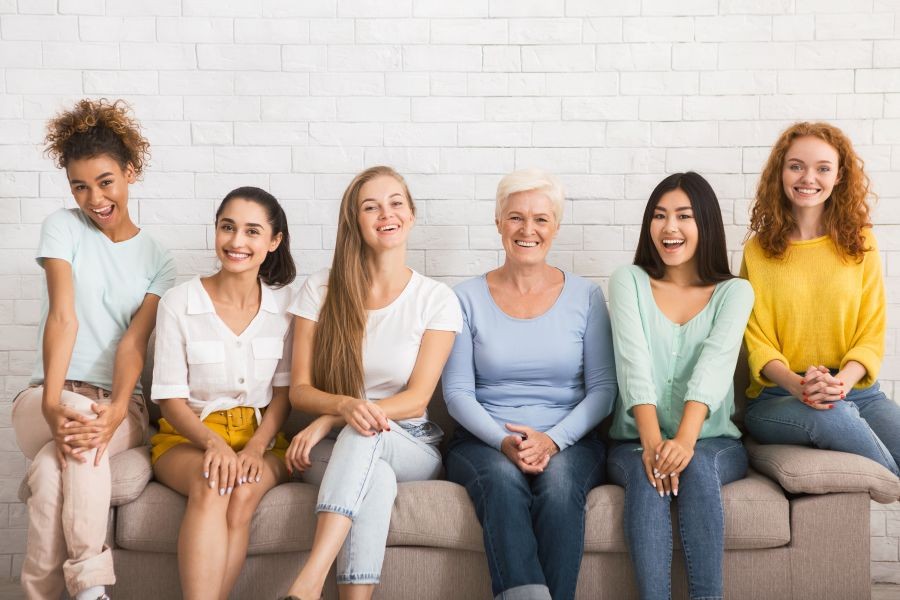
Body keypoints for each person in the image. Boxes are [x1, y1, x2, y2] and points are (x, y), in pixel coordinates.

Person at [11, 99, 177, 600]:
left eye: (105, 182)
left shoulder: (158, 259)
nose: (94, 198)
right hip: (46, 397)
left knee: (50, 471)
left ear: (130, 173)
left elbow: (133, 342)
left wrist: (119, 407)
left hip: (119, 404)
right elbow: (64, 317)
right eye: (79, 186)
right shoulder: (63, 227)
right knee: (78, 431)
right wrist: (50, 400)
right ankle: (90, 588)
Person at [280, 166, 462, 600]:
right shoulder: (321, 288)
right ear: (355, 221)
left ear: (411, 215)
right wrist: (343, 409)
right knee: (374, 476)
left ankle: (308, 582)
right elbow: (299, 390)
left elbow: (417, 398)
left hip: (410, 443)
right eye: (371, 207)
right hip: (335, 451)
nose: (386, 214)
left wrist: (334, 417)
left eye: (396, 203)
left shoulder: (436, 299)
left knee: (367, 433)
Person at [442, 168, 617, 600]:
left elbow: (603, 391)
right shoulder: (463, 298)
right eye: (516, 217)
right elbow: (457, 393)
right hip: (483, 441)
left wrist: (552, 441)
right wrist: (503, 441)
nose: (528, 229)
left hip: (570, 441)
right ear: (498, 222)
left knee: (559, 488)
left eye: (541, 219)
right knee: (502, 483)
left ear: (556, 226)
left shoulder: (586, 296)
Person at [607, 172, 753, 600]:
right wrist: (654, 443)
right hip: (634, 440)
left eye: (684, 216)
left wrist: (685, 441)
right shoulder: (628, 280)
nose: (669, 227)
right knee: (647, 474)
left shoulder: (735, 292)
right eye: (659, 216)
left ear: (705, 223)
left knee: (699, 468)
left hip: (712, 440)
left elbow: (714, 368)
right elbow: (633, 365)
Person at [150, 186, 295, 600]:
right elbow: (170, 400)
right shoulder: (179, 302)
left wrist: (256, 448)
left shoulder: (285, 308)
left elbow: (283, 396)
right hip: (188, 437)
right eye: (227, 227)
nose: (236, 241)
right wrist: (213, 444)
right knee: (214, 483)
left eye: (252, 231)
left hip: (260, 438)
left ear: (274, 241)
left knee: (243, 493)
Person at [741, 122, 900, 476]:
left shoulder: (861, 243)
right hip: (777, 396)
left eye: (823, 168)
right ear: (780, 172)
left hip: (856, 390)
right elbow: (756, 340)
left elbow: (871, 332)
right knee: (834, 415)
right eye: (796, 166)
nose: (808, 178)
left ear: (839, 176)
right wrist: (798, 386)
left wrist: (840, 384)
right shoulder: (757, 251)